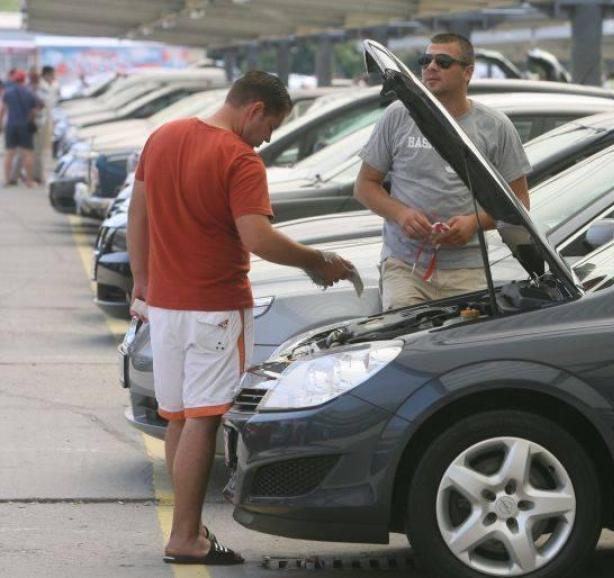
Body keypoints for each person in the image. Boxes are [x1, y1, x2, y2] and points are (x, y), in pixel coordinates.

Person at [127, 70, 355, 566]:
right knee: (204, 419)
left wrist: (142, 281)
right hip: (214, 307)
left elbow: (136, 213)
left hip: (164, 306)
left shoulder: (163, 137)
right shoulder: (239, 157)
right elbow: (259, 239)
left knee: (178, 417)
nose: (268, 138)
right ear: (254, 109)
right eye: (271, 125)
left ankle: (189, 528)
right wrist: (318, 262)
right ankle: (186, 537)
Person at [354, 33, 531, 310]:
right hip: (404, 267)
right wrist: (401, 214)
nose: (430, 67)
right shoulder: (397, 115)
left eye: (443, 61)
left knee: (460, 351)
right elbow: (365, 186)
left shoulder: (495, 126)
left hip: (468, 271)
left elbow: (520, 202)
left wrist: (474, 222)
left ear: (468, 72)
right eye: (425, 60)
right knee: (405, 346)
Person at [0, 70, 40, 187]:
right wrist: (32, 121)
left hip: (11, 125)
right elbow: (34, 111)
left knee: (9, 153)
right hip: (25, 126)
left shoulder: (8, 93)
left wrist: (1, 124)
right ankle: (29, 181)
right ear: (24, 80)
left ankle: (7, 180)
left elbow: (3, 110)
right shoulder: (29, 93)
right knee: (27, 153)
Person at [32, 66, 57, 183]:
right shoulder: (43, 87)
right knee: (38, 150)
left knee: (41, 150)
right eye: (53, 75)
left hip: (43, 121)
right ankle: (37, 176)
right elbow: (42, 103)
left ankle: (37, 175)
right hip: (40, 122)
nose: (54, 78)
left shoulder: (45, 86)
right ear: (47, 75)